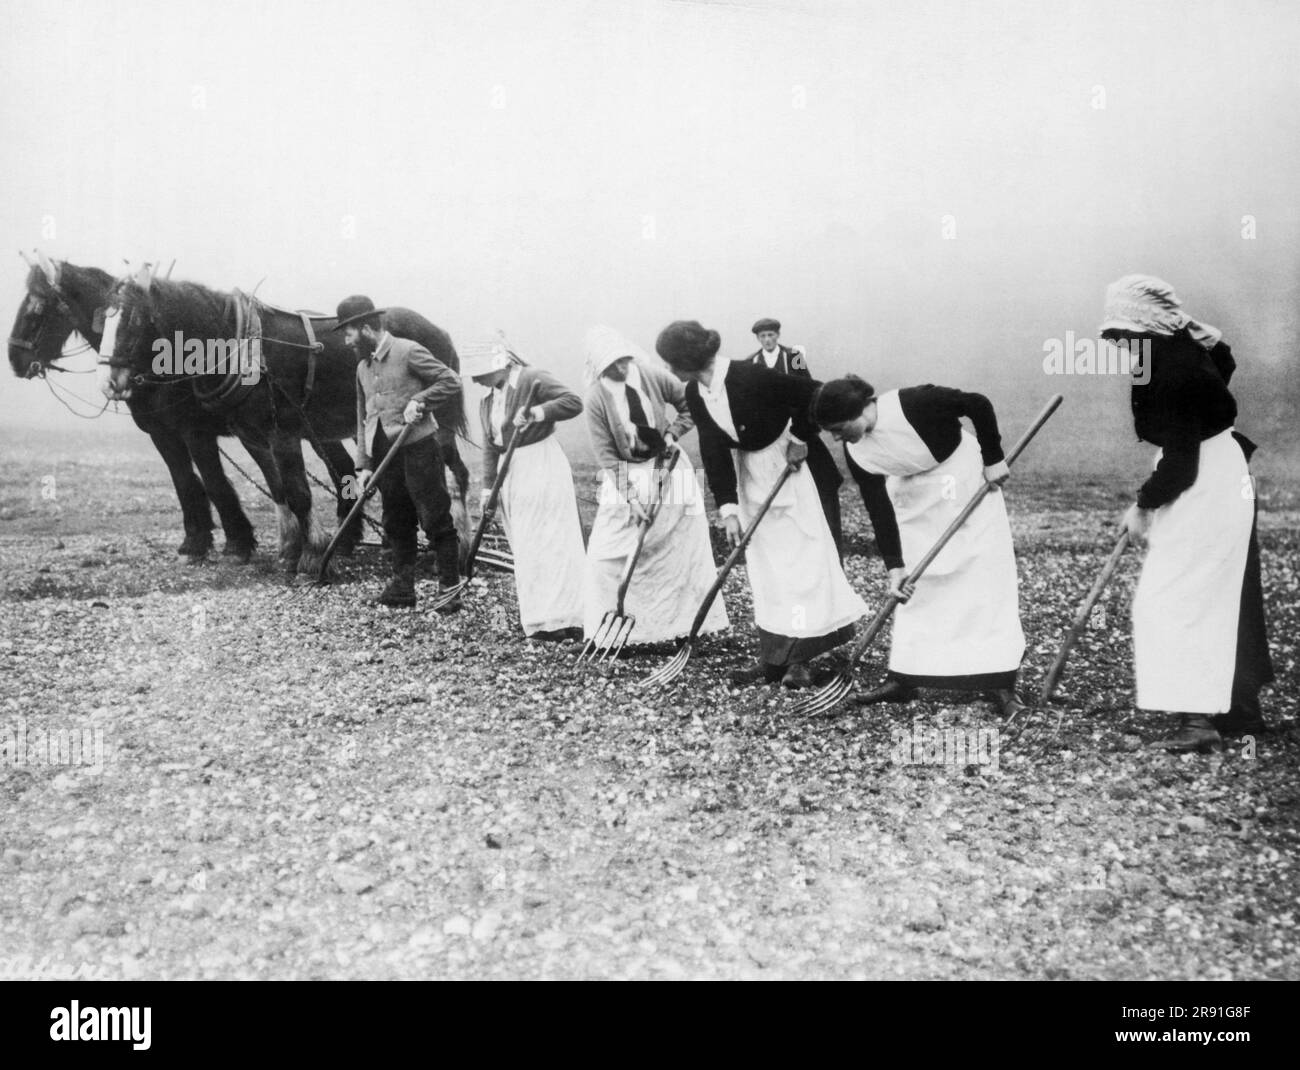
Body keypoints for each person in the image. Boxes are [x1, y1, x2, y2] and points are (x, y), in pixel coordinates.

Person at [1101, 274, 1274, 753]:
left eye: (1123, 333)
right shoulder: (1186, 350)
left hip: (1204, 481)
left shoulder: (1171, 370)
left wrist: (1141, 505)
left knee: (1174, 597)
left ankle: (1197, 722)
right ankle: (1240, 711)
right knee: (1219, 591)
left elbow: (1179, 464)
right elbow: (1225, 358)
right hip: (1221, 470)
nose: (1117, 342)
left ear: (1146, 325)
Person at [655, 320, 865, 688]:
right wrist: (728, 508)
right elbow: (713, 447)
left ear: (689, 358)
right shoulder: (694, 392)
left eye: (673, 362)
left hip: (792, 467)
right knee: (767, 566)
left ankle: (803, 658)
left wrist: (801, 436)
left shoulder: (751, 376)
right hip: (751, 474)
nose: (670, 370)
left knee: (803, 562)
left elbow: (816, 393)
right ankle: (773, 658)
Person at [812, 376, 1025, 719]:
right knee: (916, 586)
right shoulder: (857, 453)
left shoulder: (916, 403)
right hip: (913, 500)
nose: (837, 438)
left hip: (964, 479)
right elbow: (878, 509)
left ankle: (1000, 681)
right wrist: (894, 565)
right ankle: (904, 677)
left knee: (983, 578)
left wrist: (993, 457)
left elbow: (977, 402)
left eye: (838, 427)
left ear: (860, 408)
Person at [581, 325, 728, 648]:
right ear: (600, 367)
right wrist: (631, 499)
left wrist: (673, 433)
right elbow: (606, 454)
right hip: (625, 475)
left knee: (681, 550)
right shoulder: (595, 399)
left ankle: (685, 629)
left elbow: (691, 403)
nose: (622, 367)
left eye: (624, 360)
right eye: (613, 364)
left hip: (670, 468)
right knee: (607, 553)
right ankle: (608, 633)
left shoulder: (649, 375)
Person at [338, 295, 463, 611]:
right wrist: (363, 464)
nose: (346, 340)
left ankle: (449, 589)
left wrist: (420, 400)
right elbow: (362, 417)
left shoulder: (408, 351)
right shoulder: (362, 369)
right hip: (384, 456)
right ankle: (402, 587)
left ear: (366, 328)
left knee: (434, 516)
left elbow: (451, 381)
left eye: (349, 333)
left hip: (419, 448)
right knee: (395, 520)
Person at [461, 337, 586, 640]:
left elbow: (573, 403)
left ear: (498, 363)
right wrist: (488, 490)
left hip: (541, 463)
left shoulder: (531, 378)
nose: (476, 379)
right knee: (526, 543)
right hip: (512, 471)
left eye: (479, 371)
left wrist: (537, 413)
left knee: (552, 540)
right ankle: (540, 618)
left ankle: (568, 617)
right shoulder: (488, 401)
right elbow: (492, 448)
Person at [744, 317, 844, 554]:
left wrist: (800, 428)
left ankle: (831, 545)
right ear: (758, 339)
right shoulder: (751, 362)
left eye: (771, 335)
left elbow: (808, 388)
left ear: (777, 336)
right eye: (763, 337)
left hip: (798, 426)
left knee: (824, 479)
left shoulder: (794, 356)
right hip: (772, 433)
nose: (767, 340)